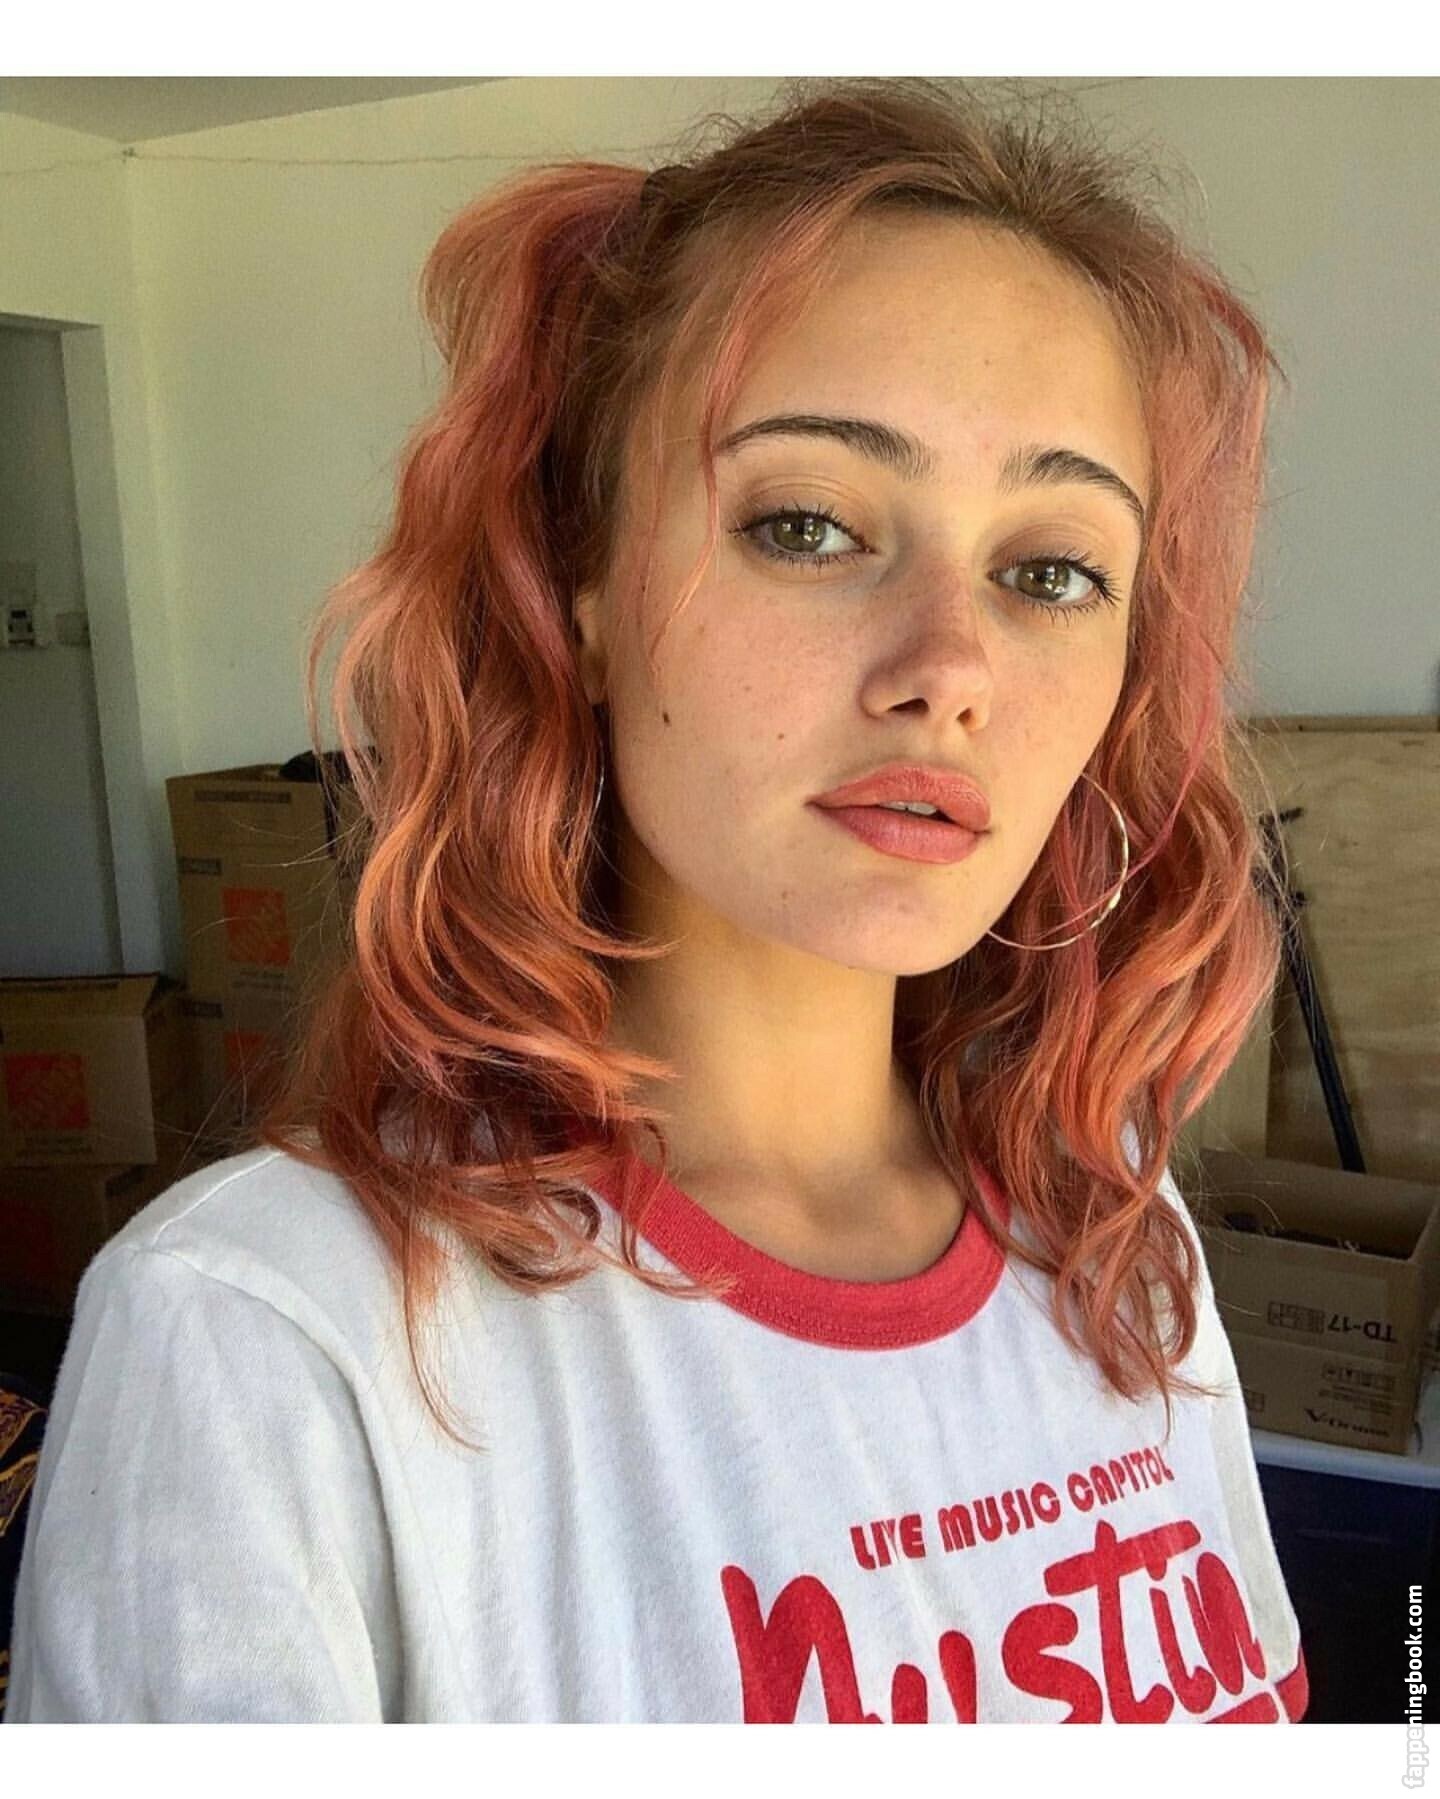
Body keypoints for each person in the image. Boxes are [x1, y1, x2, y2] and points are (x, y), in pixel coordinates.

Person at [4, 76, 1307, 1724]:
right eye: (809, 525)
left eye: (1052, 569)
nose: (953, 670)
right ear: (583, 597)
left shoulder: (1113, 1217)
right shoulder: (269, 1338)